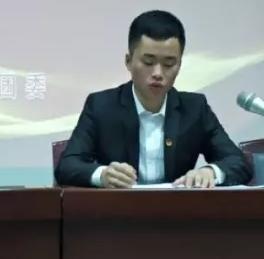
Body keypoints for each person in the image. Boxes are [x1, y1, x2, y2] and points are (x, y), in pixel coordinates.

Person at [54, 10, 251, 188]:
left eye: (169, 64)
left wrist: (211, 172)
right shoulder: (101, 106)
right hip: (117, 211)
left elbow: (238, 162)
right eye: (148, 62)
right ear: (128, 62)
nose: (158, 73)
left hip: (177, 212)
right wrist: (103, 175)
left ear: (179, 65)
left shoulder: (195, 108)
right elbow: (67, 166)